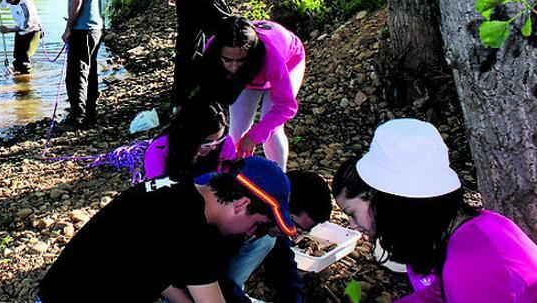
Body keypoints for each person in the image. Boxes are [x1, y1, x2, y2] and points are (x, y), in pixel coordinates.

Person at [37, 156, 298, 303]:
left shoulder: (180, 188)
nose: (251, 234)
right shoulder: (192, 228)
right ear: (241, 205)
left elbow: (160, 272)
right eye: (257, 226)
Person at [332, 119, 537, 303]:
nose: (352, 224)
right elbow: (438, 294)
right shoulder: (476, 227)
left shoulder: (468, 265)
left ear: (387, 201)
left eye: (352, 213)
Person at [195, 17, 305, 170]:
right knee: (237, 131)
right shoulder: (212, 49)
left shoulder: (270, 56)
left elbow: (286, 106)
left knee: (272, 131)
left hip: (288, 63)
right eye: (227, 60)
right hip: (250, 77)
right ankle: (233, 176)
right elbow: (207, 94)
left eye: (240, 60)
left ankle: (280, 178)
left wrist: (254, 137)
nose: (234, 66)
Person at [225, 170, 332, 303]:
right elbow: (213, 279)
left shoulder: (271, 228)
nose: (292, 234)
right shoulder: (230, 221)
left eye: (302, 231)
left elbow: (283, 265)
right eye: (294, 225)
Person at [60, 0, 104, 130]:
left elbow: (76, 1)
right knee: (90, 71)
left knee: (76, 74)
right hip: (96, 27)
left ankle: (77, 118)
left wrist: (69, 27)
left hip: (82, 28)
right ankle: (90, 114)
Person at [144, 98, 237, 180]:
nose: (213, 147)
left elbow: (230, 178)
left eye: (219, 139)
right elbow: (159, 192)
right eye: (207, 143)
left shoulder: (225, 143)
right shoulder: (159, 150)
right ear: (188, 137)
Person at [0, 0, 42, 74]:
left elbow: (25, 27)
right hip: (20, 30)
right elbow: (1, 3)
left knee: (24, 59)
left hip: (32, 30)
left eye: (9, 0)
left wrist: (8, 30)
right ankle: (18, 75)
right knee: (17, 56)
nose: (7, 2)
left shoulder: (25, 5)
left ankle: (25, 83)